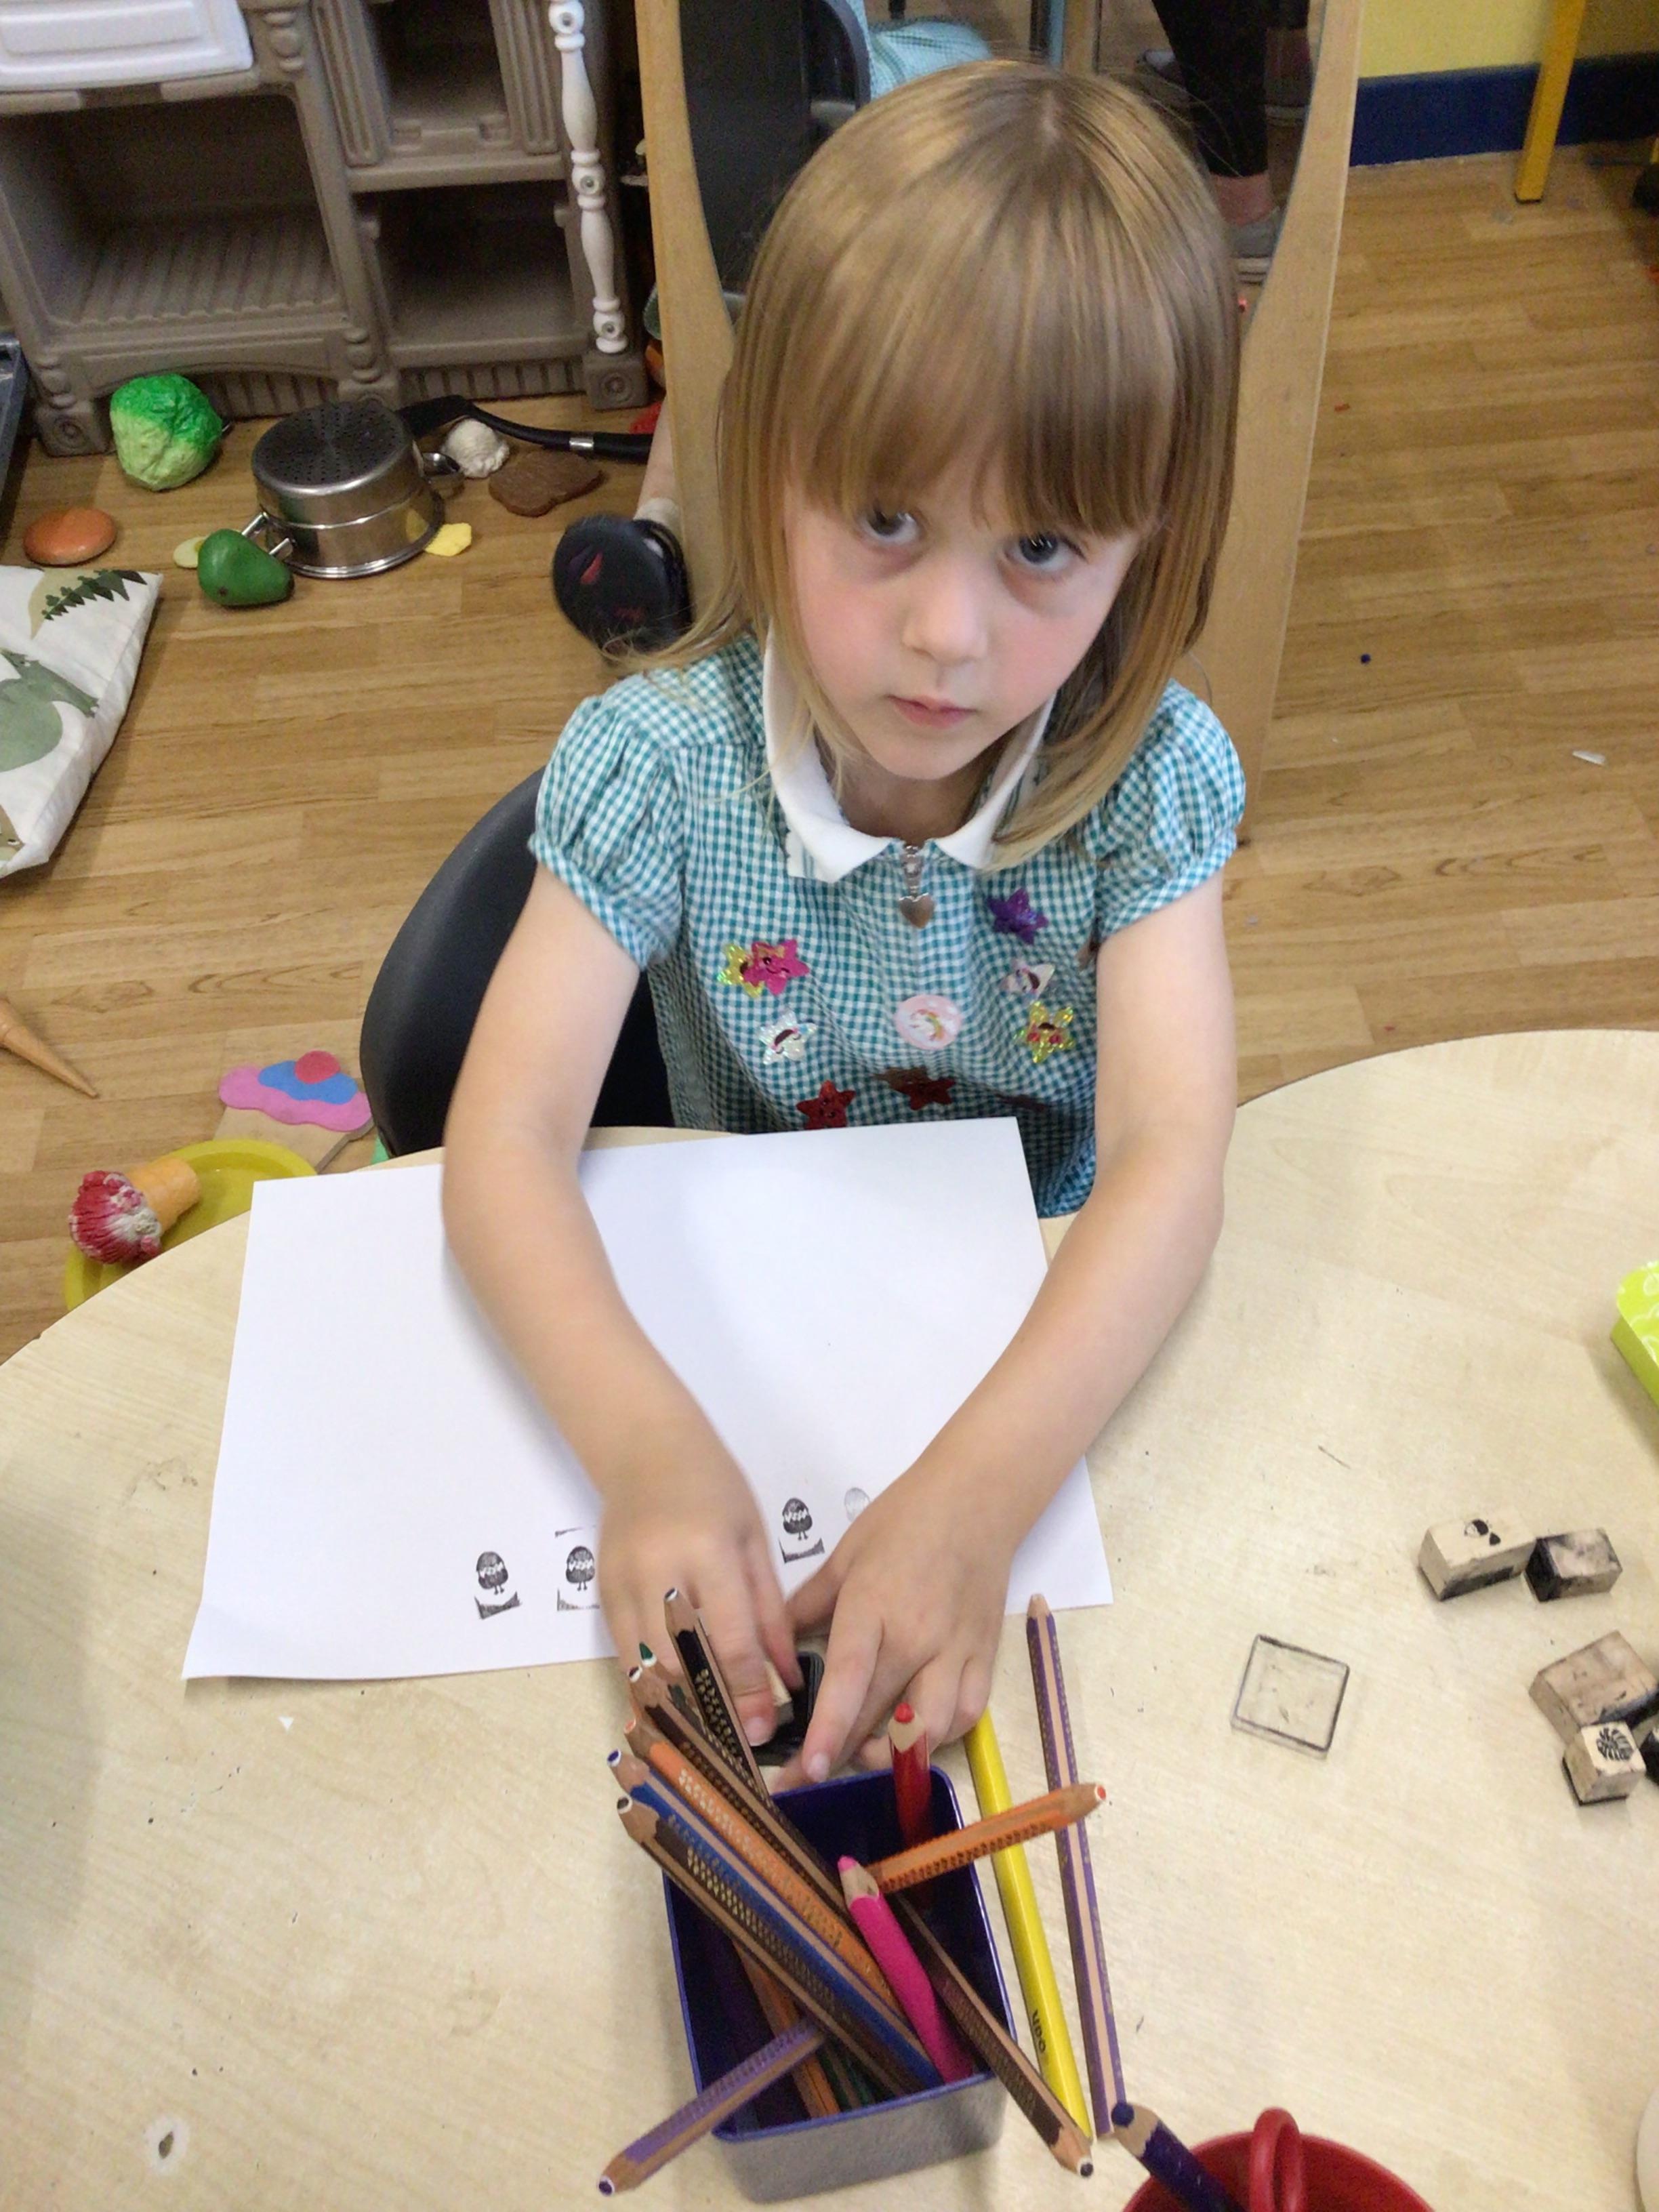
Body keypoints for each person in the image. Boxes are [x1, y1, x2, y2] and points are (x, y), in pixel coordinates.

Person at [443, 62, 1244, 1788]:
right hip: (744, 1347)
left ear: (1148, 544)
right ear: (771, 472)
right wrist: (642, 1447)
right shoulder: (661, 768)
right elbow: (500, 1141)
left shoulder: (1150, 782)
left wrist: (979, 1499)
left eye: (1044, 546)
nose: (948, 634)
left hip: (1046, 1376)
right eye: (885, 521)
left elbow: (1172, 1158)